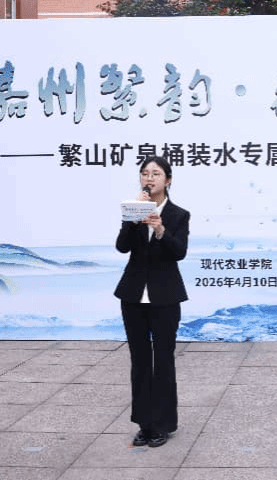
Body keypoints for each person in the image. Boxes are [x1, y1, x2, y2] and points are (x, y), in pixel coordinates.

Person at [114, 156, 190, 447]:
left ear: (168, 180)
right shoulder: (133, 209)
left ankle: (163, 424)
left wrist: (160, 231)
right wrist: (132, 220)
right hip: (132, 295)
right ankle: (144, 424)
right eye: (145, 173)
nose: (149, 178)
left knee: (164, 360)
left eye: (156, 174)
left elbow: (179, 252)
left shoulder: (179, 215)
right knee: (140, 360)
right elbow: (122, 247)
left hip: (165, 297)